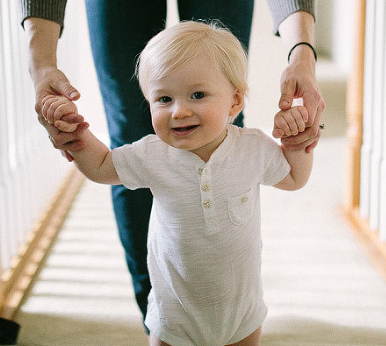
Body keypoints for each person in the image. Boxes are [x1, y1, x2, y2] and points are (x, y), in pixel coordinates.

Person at [17, 0, 325, 321]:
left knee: (217, 122)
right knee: (135, 133)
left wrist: (301, 54)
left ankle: (223, 306)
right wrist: (41, 65)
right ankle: (159, 313)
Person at [41, 21, 313, 346]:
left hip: (241, 314)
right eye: (164, 98)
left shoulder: (252, 149)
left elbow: (295, 178)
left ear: (235, 102)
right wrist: (77, 134)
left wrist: (297, 145)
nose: (179, 111)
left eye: (198, 95)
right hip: (174, 318)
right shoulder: (153, 154)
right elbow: (101, 166)